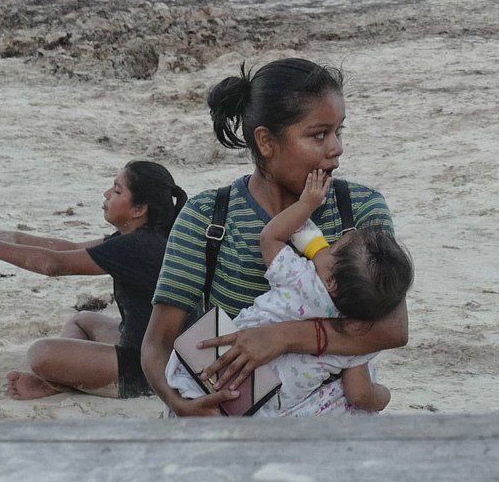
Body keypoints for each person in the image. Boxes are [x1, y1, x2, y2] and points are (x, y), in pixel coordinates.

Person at [141, 58, 407, 417]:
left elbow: (392, 329)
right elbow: (157, 343)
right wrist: (179, 402)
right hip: (229, 422)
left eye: (339, 132)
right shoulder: (208, 217)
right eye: (319, 134)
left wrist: (281, 337)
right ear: (266, 141)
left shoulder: (358, 209)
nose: (337, 148)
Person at [164, 168, 411, 414]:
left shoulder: (302, 280)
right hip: (266, 408)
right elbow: (360, 394)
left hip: (220, 368)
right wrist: (385, 395)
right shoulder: (359, 335)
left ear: (331, 278)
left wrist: (307, 204)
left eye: (336, 247)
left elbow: (270, 237)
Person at [0, 160, 186, 400]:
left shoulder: (137, 245)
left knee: (41, 353)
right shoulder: (150, 234)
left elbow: (55, 265)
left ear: (138, 209)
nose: (106, 193)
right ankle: (62, 380)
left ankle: (59, 381)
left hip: (147, 368)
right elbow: (72, 248)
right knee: (82, 321)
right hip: (155, 350)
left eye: (117, 190)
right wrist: (14, 237)